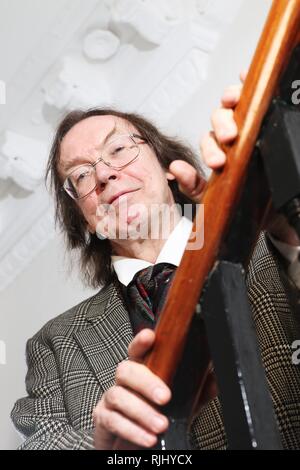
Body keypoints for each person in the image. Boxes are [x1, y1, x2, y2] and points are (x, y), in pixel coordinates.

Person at [11, 79, 300, 450]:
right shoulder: (55, 343)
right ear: (84, 218)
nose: (103, 174)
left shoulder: (269, 242)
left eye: (118, 149)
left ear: (166, 165)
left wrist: (291, 222)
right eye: (80, 175)